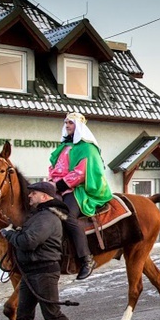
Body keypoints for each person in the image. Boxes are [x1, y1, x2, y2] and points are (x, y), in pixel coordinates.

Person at [0, 181, 91, 320]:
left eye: (33, 193)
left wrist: (10, 235)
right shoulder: (37, 216)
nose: (29, 196)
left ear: (45, 196)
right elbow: (27, 236)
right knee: (23, 316)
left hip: (44, 272)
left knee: (52, 314)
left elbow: (28, 242)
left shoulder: (47, 217)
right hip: (31, 273)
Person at [49, 112, 113, 280]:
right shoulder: (63, 146)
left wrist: (58, 185)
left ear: (79, 126)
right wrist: (49, 181)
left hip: (78, 190)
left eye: (70, 123)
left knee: (68, 216)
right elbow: (54, 167)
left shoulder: (87, 147)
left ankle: (86, 259)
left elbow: (81, 173)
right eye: (66, 123)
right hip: (57, 187)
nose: (67, 125)